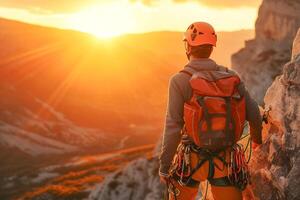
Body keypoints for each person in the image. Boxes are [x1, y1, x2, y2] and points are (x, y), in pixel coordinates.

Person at [159, 22, 262, 200]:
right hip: (226, 162)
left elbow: (173, 126)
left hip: (190, 162)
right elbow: (254, 114)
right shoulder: (232, 77)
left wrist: (164, 165)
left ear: (188, 46)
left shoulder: (179, 80)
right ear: (211, 48)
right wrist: (256, 142)